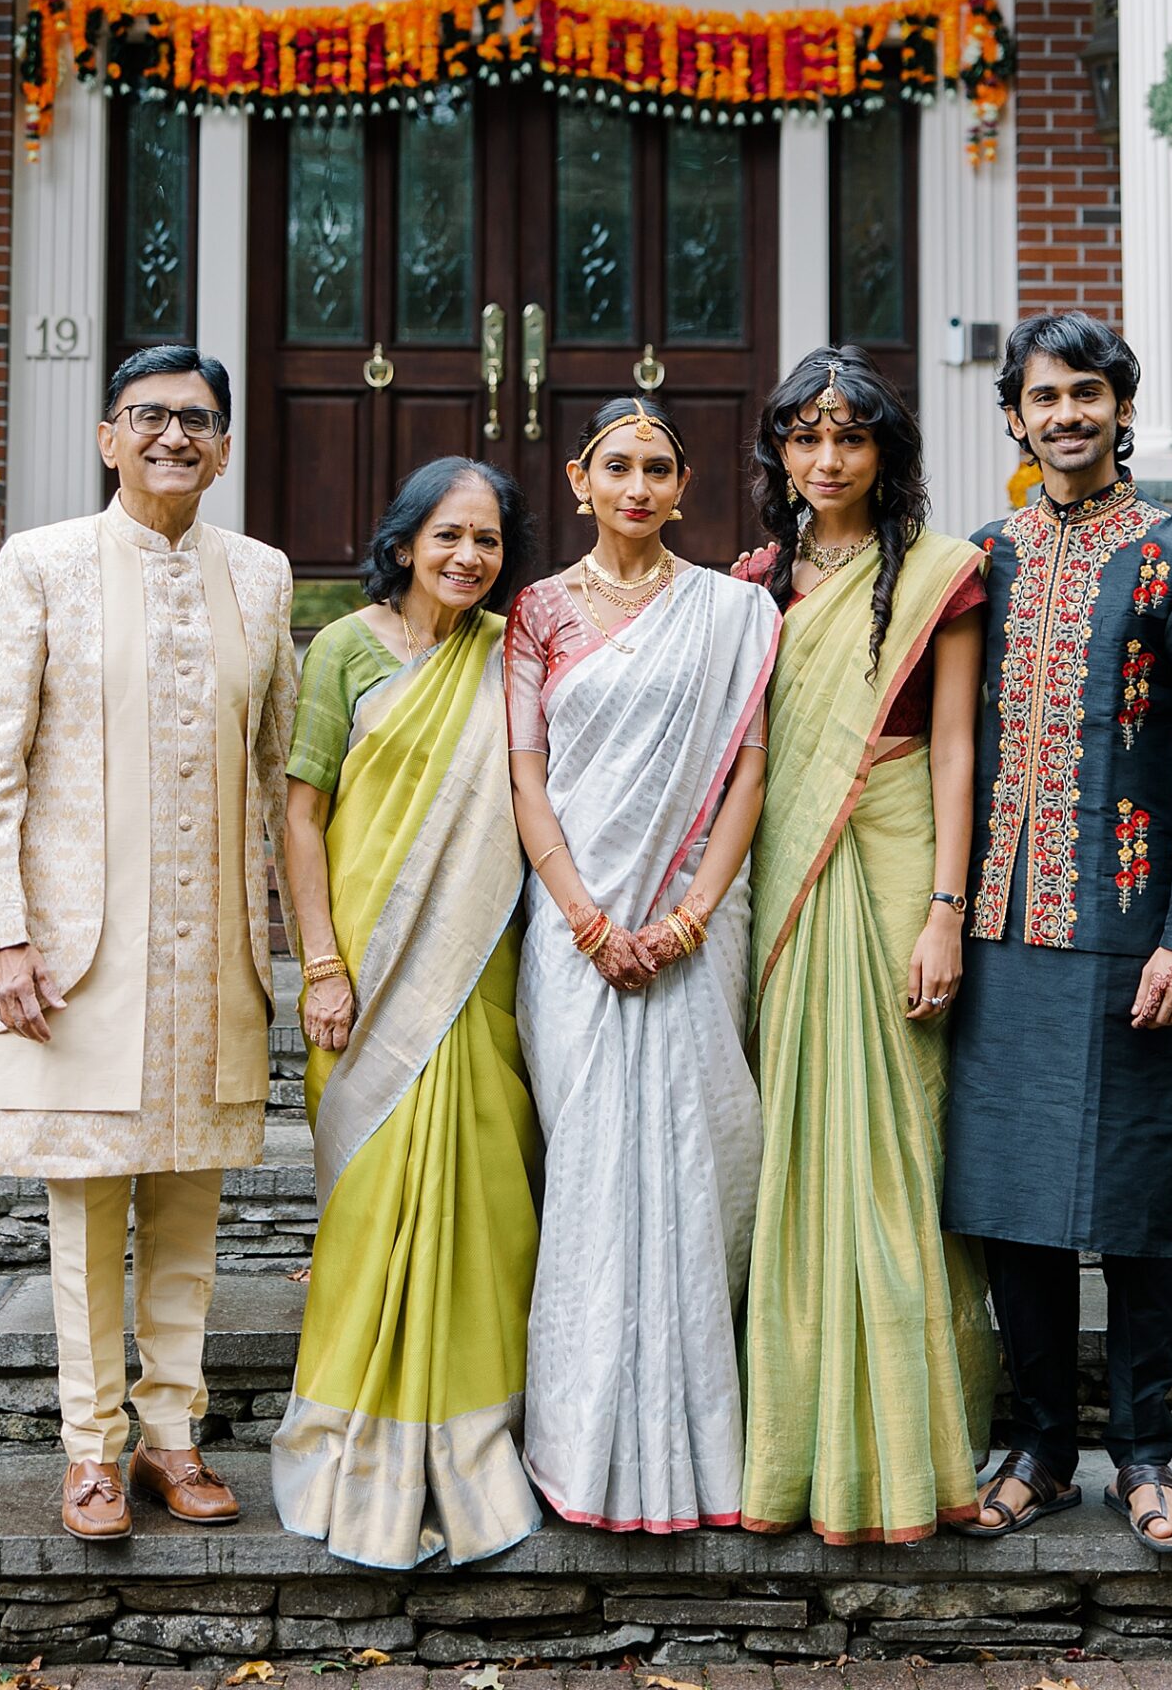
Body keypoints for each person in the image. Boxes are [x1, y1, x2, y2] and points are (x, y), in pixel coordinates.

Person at [0, 346, 296, 1541]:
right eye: (148, 415)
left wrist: (311, 944)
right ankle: (90, 1451)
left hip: (211, 951)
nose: (174, 435)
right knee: (86, 1212)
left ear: (225, 447)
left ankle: (172, 1437)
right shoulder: (43, 561)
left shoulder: (260, 575)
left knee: (190, 1211)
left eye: (198, 420)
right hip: (75, 955)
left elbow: (283, 771)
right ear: (109, 436)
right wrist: (4, 936)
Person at [943, 311, 1172, 1554]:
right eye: (1044, 396)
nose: (1066, 414)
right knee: (1011, 1203)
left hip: (1135, 934)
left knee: (1131, 1203)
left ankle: (1145, 1455)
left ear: (1123, 408)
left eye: (1087, 393)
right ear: (1013, 417)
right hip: (1001, 931)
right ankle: (1039, 1450)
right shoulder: (984, 559)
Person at [733, 346, 997, 1544]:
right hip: (787, 869)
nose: (828, 458)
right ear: (780, 452)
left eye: (851, 436)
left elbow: (956, 750)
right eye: (807, 437)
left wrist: (947, 908)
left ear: (886, 450)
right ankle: (791, 1443)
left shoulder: (943, 574)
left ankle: (907, 1446)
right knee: (795, 1136)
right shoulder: (752, 583)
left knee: (897, 1147)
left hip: (897, 865)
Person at [506, 394, 781, 1533]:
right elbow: (527, 774)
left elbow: (748, 770)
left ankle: (705, 1445)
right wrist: (585, 920)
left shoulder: (734, 611)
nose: (636, 485)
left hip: (692, 925)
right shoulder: (536, 610)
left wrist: (686, 920)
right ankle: (578, 1445)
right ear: (579, 480)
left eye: (656, 468)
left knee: (699, 1161)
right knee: (588, 1174)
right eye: (615, 465)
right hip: (574, 930)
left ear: (682, 488)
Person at [271, 458, 542, 1570]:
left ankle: (477, 1423)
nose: (468, 557)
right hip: (367, 966)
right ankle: (351, 1434)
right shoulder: (344, 648)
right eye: (448, 536)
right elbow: (300, 815)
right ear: (402, 544)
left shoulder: (513, 651)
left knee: (486, 1188)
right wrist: (321, 965)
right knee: (370, 1199)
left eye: (487, 540)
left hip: (475, 961)